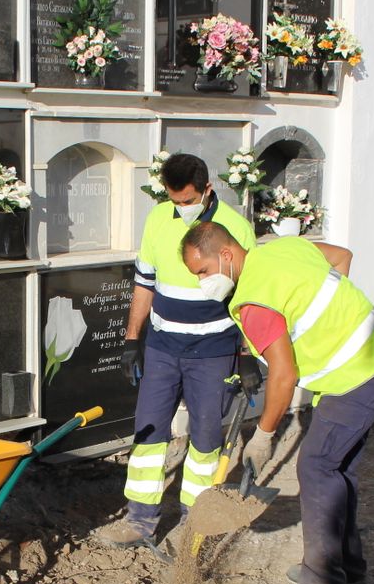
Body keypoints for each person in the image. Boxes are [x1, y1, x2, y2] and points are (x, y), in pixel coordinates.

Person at [180, 220, 374, 584]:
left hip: (358, 378)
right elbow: (341, 258)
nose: (203, 282)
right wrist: (326, 326)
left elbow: (283, 377)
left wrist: (264, 435)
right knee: (340, 469)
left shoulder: (254, 302)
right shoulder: (280, 250)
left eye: (203, 271)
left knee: (316, 467)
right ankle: (344, 565)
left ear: (227, 255)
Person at [94, 153, 258, 548]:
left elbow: (253, 294)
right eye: (175, 201)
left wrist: (249, 353)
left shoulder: (236, 228)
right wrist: (133, 340)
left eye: (188, 201)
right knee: (148, 432)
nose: (182, 209)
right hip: (164, 348)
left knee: (204, 440)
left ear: (207, 190)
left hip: (214, 351)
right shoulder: (157, 219)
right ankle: (140, 521)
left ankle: (194, 525)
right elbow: (144, 283)